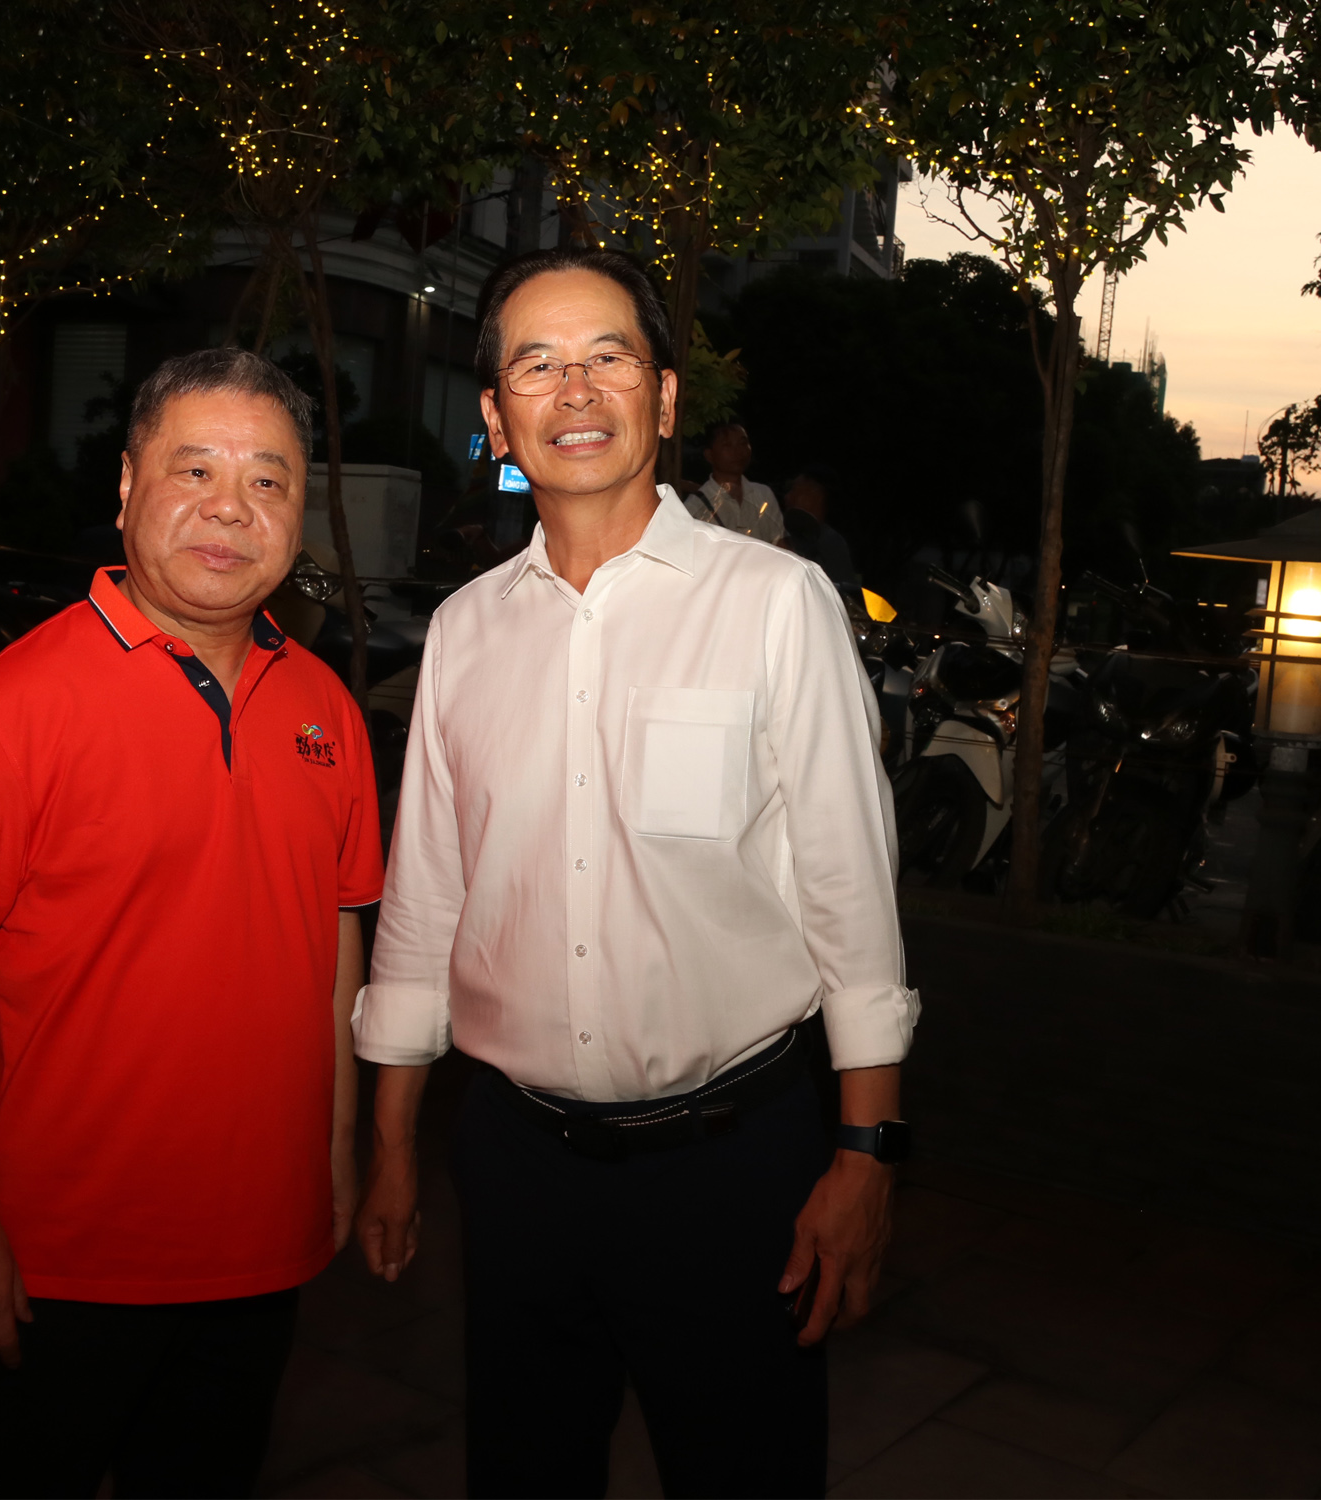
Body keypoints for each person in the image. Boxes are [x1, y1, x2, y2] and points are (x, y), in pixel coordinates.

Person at [352, 247, 918, 1498]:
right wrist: (391, 1143)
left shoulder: (776, 604)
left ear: (663, 398)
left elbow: (850, 894)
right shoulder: (465, 630)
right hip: (516, 1163)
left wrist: (866, 1151)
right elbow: (427, 898)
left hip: (734, 1169)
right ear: (495, 413)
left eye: (608, 356)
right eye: (537, 365)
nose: (575, 390)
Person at [0, 348, 384, 1499]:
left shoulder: (326, 711)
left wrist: (335, 1150)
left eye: (267, 480)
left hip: (260, 1244)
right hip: (58, 1255)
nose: (230, 508)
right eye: (194, 469)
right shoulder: (10, 709)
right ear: (126, 485)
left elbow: (337, 937)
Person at [683, 419, 784, 542]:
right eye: (727, 445)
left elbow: (780, 542)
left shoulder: (764, 495)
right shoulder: (695, 507)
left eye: (742, 443)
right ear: (709, 455)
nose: (738, 451)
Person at [782, 463, 862, 594]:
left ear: (815, 496)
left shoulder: (832, 542)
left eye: (794, 491)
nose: (787, 497)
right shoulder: (784, 534)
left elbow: (844, 594)